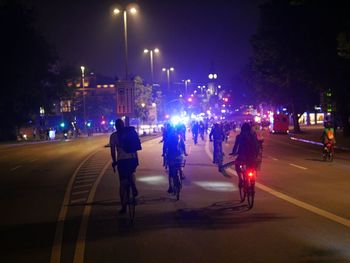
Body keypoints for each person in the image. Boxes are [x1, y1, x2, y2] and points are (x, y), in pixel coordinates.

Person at [110, 119, 139, 214]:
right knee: (131, 173)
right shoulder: (130, 132)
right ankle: (133, 185)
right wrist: (136, 160)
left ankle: (123, 207)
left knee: (122, 184)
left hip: (121, 161)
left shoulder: (113, 136)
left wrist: (114, 162)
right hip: (132, 158)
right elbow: (135, 147)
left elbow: (113, 151)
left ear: (115, 126)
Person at [230, 122, 259, 187]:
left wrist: (233, 153)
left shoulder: (239, 136)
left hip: (242, 156)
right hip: (252, 156)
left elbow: (236, 146)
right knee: (253, 167)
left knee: (237, 165)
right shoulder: (253, 135)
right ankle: (252, 180)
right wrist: (256, 154)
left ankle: (240, 179)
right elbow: (256, 145)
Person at [164, 126, 188, 193]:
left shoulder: (168, 138)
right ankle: (180, 175)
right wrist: (185, 152)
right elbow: (183, 145)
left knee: (171, 172)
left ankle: (170, 187)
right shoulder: (179, 137)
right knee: (179, 166)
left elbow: (165, 147)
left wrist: (164, 153)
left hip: (171, 156)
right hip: (179, 156)